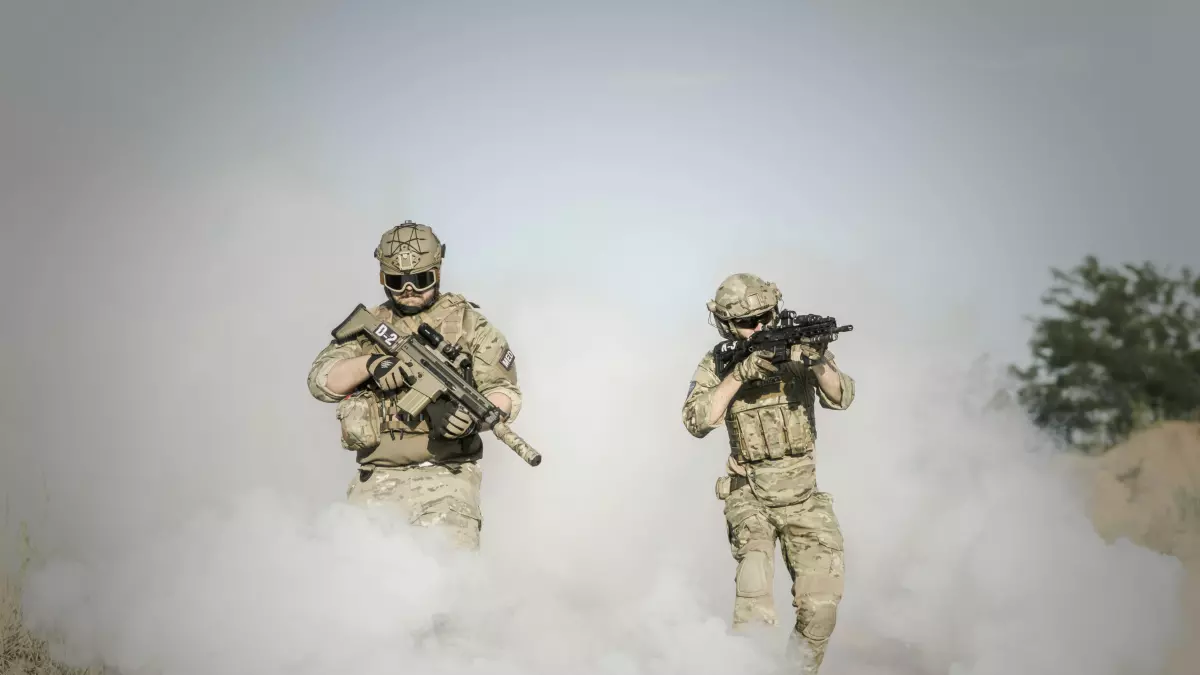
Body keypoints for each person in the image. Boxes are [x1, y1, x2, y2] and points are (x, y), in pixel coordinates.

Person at [306, 220, 522, 551]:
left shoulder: (469, 325)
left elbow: (503, 391)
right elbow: (322, 380)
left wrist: (473, 418)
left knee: (448, 587)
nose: (409, 290)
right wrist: (370, 364)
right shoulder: (372, 327)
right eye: (397, 282)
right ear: (383, 278)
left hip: (446, 480)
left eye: (421, 280)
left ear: (437, 270)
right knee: (358, 586)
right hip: (376, 478)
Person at [681, 273, 856, 674]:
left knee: (821, 611)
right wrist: (739, 375)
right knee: (754, 607)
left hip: (804, 498)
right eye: (747, 323)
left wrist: (815, 360)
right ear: (726, 324)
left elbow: (841, 396)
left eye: (766, 317)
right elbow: (696, 420)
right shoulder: (719, 362)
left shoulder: (798, 347)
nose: (759, 327)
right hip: (751, 496)